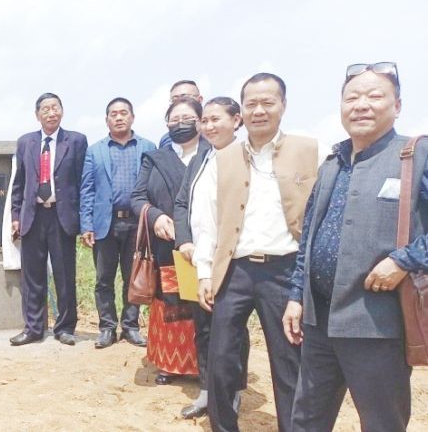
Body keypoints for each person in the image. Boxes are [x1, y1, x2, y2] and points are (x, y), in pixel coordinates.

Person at [283, 62, 425, 432]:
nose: (361, 105)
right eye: (352, 97)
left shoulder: (415, 156)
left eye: (375, 96)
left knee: (382, 423)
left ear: (397, 106)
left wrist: (404, 260)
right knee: (306, 421)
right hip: (319, 323)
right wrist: (297, 295)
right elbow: (308, 239)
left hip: (378, 326)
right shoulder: (332, 164)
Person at [193, 73, 319, 432]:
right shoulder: (222, 158)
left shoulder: (311, 150)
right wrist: (205, 272)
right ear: (241, 111)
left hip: (286, 270)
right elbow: (207, 221)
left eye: (268, 102)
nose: (259, 110)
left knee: (288, 358)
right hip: (234, 270)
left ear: (283, 105)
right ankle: (223, 425)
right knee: (220, 357)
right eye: (251, 104)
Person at [173, 97, 250, 419]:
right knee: (203, 327)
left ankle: (231, 393)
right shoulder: (201, 159)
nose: (209, 126)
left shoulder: (248, 157)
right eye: (205, 121)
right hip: (198, 260)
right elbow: (182, 204)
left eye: (216, 119)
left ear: (237, 120)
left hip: (233, 262)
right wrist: (186, 241)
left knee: (231, 331)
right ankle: (208, 390)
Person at [130, 96, 208, 385]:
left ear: (200, 121)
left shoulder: (214, 155)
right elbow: (138, 197)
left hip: (204, 245)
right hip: (165, 245)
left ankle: (205, 365)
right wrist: (156, 217)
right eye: (174, 120)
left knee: (202, 303)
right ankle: (170, 364)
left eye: (187, 118)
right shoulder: (155, 158)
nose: (180, 124)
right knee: (171, 304)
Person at [10, 93, 88, 346]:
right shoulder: (25, 143)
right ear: (37, 115)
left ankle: (65, 327)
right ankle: (33, 328)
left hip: (62, 216)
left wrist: (83, 219)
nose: (51, 113)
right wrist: (15, 216)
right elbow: (19, 182)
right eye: (45, 109)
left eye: (55, 108)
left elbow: (82, 182)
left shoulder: (76, 141)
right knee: (32, 276)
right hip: (32, 216)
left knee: (65, 275)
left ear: (62, 111)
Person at [79, 97, 156, 349]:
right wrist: (86, 225)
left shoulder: (148, 147)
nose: (119, 117)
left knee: (133, 277)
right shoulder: (95, 150)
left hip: (137, 224)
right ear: (107, 120)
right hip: (106, 223)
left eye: (124, 113)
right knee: (104, 279)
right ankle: (107, 328)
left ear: (132, 117)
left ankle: (131, 326)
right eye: (114, 114)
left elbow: (154, 188)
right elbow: (87, 190)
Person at [159, 80, 205, 147]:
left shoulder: (214, 132)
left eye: (185, 97)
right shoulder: (167, 140)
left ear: (200, 99)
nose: (180, 102)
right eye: (175, 100)